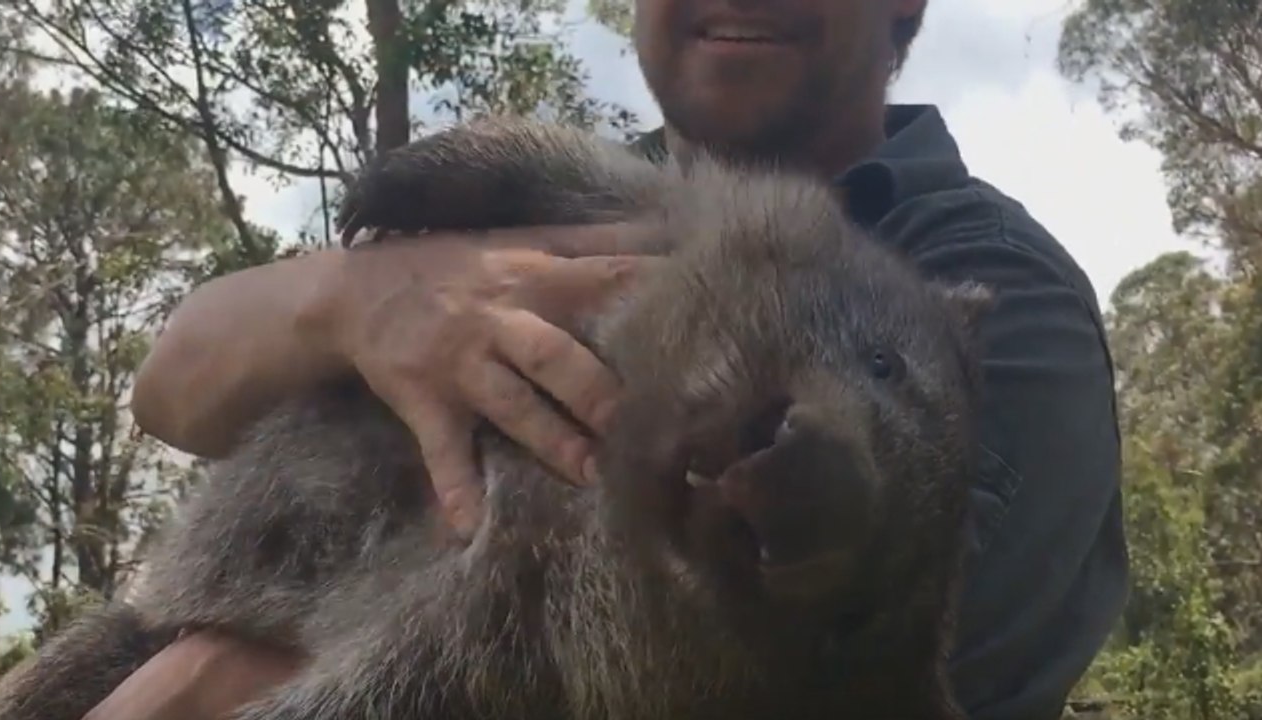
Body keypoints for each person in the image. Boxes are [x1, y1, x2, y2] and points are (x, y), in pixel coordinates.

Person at [84, 1, 1128, 719]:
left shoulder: (994, 296)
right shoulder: (579, 205)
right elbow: (175, 388)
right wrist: (344, 303)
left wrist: (226, 677)